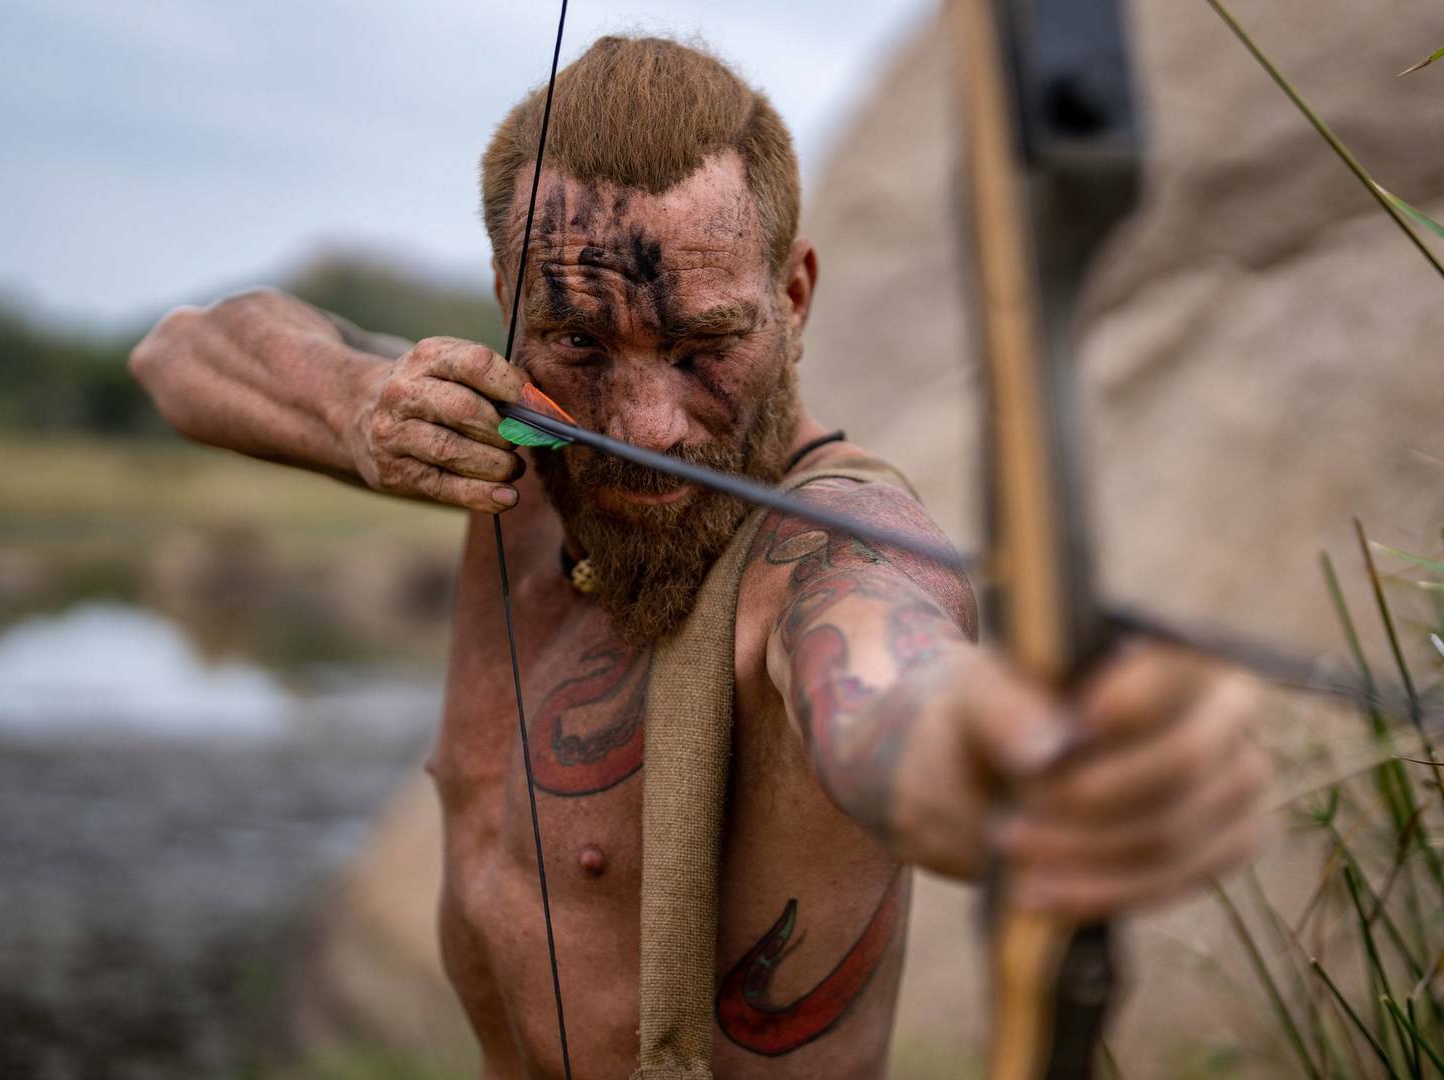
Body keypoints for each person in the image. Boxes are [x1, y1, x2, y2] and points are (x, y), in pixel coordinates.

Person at [130, 34, 1270, 1080]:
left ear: (794, 295)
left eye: (704, 345)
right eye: (579, 341)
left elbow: (892, 696)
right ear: (510, 309)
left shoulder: (836, 552)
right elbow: (181, 355)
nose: (645, 427)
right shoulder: (508, 444)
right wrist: (362, 405)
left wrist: (1022, 765)